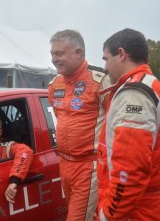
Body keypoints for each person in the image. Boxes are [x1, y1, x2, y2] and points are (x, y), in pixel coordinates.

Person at [97, 28, 160, 220]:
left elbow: (129, 171)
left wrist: (109, 214)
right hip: (147, 202)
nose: (105, 67)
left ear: (122, 54)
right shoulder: (153, 85)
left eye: (106, 59)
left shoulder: (134, 93)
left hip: (133, 209)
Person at [48, 29, 109, 220]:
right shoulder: (55, 84)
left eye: (60, 53)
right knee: (83, 214)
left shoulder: (101, 80)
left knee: (78, 217)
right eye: (52, 54)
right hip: (64, 164)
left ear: (79, 53)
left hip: (88, 166)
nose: (54, 59)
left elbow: (116, 123)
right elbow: (60, 116)